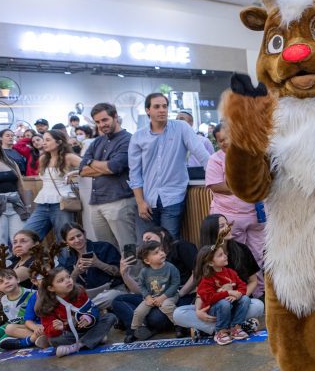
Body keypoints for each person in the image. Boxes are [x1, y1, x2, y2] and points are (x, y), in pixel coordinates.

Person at [128, 93, 211, 240]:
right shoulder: (138, 136)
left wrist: (217, 178)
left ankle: (170, 264)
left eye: (165, 106)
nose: (162, 110)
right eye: (157, 106)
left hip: (173, 197)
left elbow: (203, 156)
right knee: (147, 245)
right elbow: (135, 173)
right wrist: (140, 202)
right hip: (147, 199)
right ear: (148, 110)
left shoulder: (181, 128)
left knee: (169, 244)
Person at [112, 226, 197, 342]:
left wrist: (180, 293)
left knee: (155, 318)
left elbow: (197, 272)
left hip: (177, 295)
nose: (146, 242)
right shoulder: (149, 261)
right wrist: (125, 274)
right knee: (118, 300)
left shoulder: (180, 246)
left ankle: (140, 325)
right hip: (153, 298)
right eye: (144, 241)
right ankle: (138, 329)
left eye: (148, 237)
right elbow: (139, 290)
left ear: (161, 234)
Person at [79, 103, 137, 252]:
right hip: (96, 203)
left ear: (115, 117)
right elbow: (82, 170)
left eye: (105, 120)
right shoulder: (98, 141)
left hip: (120, 201)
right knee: (106, 251)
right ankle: (113, 276)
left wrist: (91, 162)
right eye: (97, 122)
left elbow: (114, 167)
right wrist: (104, 167)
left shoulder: (128, 139)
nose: (101, 125)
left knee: (128, 249)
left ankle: (132, 276)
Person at [205, 123, 265, 264]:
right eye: (221, 140)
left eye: (229, 137)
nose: (226, 142)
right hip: (230, 217)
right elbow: (216, 186)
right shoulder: (215, 159)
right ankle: (239, 285)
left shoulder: (254, 154)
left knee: (258, 256)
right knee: (234, 255)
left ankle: (259, 286)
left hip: (257, 216)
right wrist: (244, 186)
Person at [37, 266, 116, 357]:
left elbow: (93, 309)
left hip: (89, 327)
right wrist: (57, 328)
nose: (68, 281)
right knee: (53, 340)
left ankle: (75, 347)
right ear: (51, 288)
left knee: (110, 317)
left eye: (68, 277)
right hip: (71, 334)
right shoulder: (48, 305)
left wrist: (89, 317)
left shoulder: (79, 292)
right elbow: (48, 329)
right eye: (61, 280)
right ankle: (96, 337)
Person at [22, 130, 81, 240]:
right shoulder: (43, 158)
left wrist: (74, 172)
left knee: (64, 240)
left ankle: (66, 258)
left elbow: (89, 167)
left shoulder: (69, 157)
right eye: (43, 140)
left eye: (48, 140)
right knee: (27, 235)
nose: (44, 143)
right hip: (42, 204)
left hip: (62, 204)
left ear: (59, 142)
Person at [57, 222, 124, 309]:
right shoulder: (69, 261)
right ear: (66, 242)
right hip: (89, 296)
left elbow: (120, 272)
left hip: (111, 290)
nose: (77, 240)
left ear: (84, 234)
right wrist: (76, 272)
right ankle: (88, 310)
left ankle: (85, 310)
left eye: (79, 236)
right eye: (72, 239)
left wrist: (98, 264)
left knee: (111, 296)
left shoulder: (104, 247)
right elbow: (69, 288)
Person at [195, 242, 250, 345]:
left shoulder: (230, 272)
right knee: (224, 303)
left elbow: (242, 285)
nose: (225, 256)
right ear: (211, 263)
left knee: (246, 299)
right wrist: (228, 292)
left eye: (224, 253)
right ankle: (221, 332)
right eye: (220, 255)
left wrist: (238, 294)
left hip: (231, 305)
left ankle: (235, 328)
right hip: (215, 309)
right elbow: (209, 298)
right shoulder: (206, 279)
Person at [131, 240, 180, 340]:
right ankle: (134, 330)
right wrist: (147, 297)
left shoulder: (170, 267)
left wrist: (163, 297)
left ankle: (179, 326)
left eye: (161, 250)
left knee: (167, 306)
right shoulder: (144, 272)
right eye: (156, 253)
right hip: (152, 297)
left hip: (170, 295)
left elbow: (175, 284)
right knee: (138, 311)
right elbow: (142, 285)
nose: (162, 253)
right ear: (147, 261)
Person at [0, 135, 29, 248]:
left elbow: (21, 186)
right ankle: (1, 266)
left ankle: (21, 264)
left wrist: (28, 205)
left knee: (21, 238)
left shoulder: (11, 163)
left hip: (15, 204)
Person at [0, 268, 37, 350]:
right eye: (1, 281)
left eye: (9, 278)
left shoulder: (32, 294)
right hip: (12, 324)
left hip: (27, 326)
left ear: (18, 279)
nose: (6, 282)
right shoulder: (3, 299)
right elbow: (11, 318)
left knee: (2, 338)